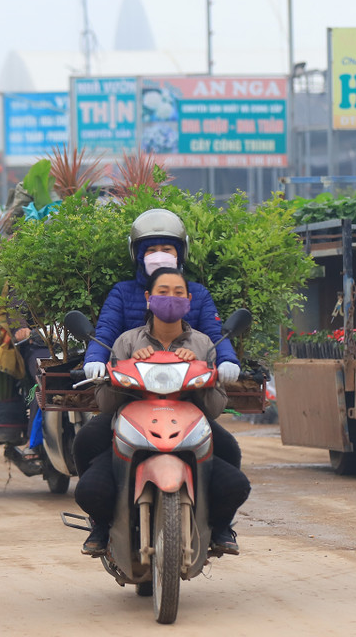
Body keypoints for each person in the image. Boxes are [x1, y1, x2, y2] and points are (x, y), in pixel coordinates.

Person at [74, 268, 250, 557]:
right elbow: (105, 403)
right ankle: (101, 525)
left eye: (178, 293)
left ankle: (220, 526)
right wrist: (123, 366)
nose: (171, 298)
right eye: (163, 292)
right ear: (148, 298)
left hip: (189, 420)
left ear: (189, 300)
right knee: (88, 473)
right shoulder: (127, 342)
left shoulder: (203, 344)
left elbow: (216, 408)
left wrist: (201, 372)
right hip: (133, 419)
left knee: (233, 467)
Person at [73, 208, 243, 476]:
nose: (160, 255)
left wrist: (227, 361)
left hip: (186, 394)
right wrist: (95, 359)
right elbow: (104, 331)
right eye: (152, 249)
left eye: (167, 248)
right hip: (131, 392)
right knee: (87, 442)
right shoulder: (122, 293)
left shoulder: (196, 294)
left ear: (180, 254)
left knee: (228, 451)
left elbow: (214, 334)